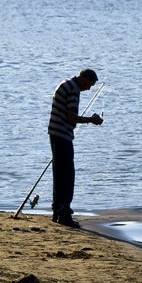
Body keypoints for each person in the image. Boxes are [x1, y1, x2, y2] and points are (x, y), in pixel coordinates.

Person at [48, 69, 103, 228]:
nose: (89, 89)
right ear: (85, 79)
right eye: (90, 85)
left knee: (59, 174)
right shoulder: (73, 89)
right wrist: (91, 120)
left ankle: (57, 212)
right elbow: (71, 117)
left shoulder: (66, 84)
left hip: (56, 132)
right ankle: (64, 214)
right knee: (67, 175)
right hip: (62, 135)